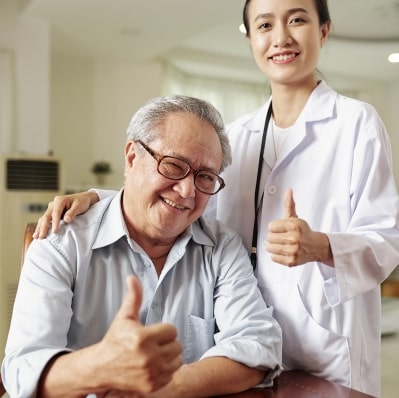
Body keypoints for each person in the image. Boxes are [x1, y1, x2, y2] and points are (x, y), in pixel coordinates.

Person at [30, 0, 399, 396]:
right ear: (251, 38)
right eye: (264, 25)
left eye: (297, 19)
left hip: (325, 347)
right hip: (235, 347)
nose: (281, 37)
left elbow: (387, 238)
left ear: (323, 30)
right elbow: (187, 203)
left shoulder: (356, 123)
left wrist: (321, 246)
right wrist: (97, 198)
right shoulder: (236, 135)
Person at [1, 95, 283, 398]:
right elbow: (23, 370)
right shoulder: (61, 241)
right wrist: (102, 366)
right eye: (174, 166)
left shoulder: (221, 247)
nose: (187, 191)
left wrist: (163, 390)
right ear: (132, 158)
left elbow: (258, 346)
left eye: (205, 177)